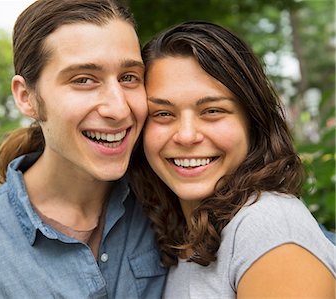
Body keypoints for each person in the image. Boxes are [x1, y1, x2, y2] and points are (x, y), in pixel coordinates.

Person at [0, 0, 166, 298]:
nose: (119, 108)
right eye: (83, 80)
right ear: (26, 97)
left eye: (128, 77)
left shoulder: (168, 200)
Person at [130, 21, 336, 298]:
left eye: (212, 111)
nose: (186, 136)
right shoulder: (184, 231)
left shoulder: (267, 228)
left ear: (252, 120)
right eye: (163, 114)